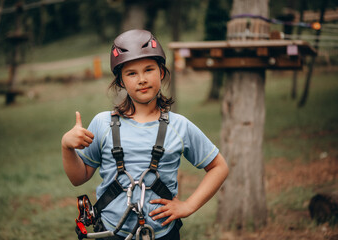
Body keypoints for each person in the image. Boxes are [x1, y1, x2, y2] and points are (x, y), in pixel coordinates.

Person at [61, 29, 229, 240]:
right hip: (111, 232)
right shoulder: (102, 124)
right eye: (132, 73)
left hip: (162, 234)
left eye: (148, 69)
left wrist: (188, 206)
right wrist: (67, 147)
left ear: (160, 72)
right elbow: (79, 177)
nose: (141, 79)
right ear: (121, 81)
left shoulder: (179, 126)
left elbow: (219, 167)